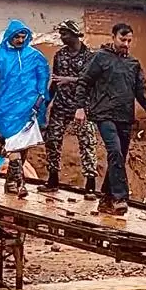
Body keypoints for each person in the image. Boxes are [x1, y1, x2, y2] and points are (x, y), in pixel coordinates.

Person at [74, 22, 146, 215]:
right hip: (103, 114)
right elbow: (84, 82)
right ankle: (120, 197)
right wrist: (80, 107)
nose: (126, 44)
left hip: (125, 116)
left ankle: (105, 197)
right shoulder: (100, 58)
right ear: (113, 37)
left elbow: (140, 89)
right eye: (122, 39)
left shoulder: (133, 64)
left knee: (119, 156)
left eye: (129, 40)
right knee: (115, 151)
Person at [0, 19, 51, 198]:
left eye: (23, 37)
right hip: (4, 109)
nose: (20, 40)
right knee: (13, 146)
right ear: (9, 36)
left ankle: (11, 182)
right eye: (17, 36)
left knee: (23, 148)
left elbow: (43, 78)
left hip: (28, 109)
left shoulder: (34, 56)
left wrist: (40, 99)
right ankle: (20, 184)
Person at [40, 20, 100, 197]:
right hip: (61, 105)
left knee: (87, 143)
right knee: (53, 140)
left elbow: (92, 82)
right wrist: (46, 102)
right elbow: (56, 81)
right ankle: (52, 180)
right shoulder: (60, 55)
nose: (62, 37)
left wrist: (69, 79)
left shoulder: (90, 56)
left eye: (65, 34)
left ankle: (90, 185)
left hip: (82, 107)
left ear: (75, 34)